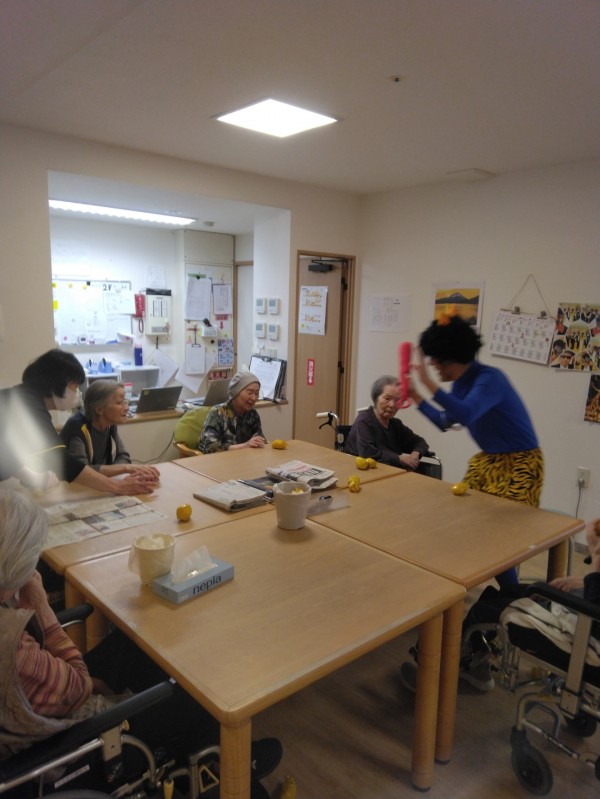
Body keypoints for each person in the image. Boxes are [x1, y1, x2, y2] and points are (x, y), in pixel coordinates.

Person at [0, 489, 282, 797]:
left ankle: (197, 749)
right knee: (195, 687)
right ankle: (230, 763)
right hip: (67, 744)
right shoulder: (12, 646)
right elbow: (80, 687)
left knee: (132, 646)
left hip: (36, 704)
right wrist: (42, 609)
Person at [409, 315, 543, 586]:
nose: (432, 364)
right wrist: (416, 397)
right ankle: (503, 590)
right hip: (490, 462)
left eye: (435, 359)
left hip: (521, 464)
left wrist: (427, 383)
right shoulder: (461, 384)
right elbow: (445, 421)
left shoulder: (490, 379)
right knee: (469, 523)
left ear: (450, 359)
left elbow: (467, 413)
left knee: (499, 539)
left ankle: (510, 593)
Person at [0, 349, 157, 495]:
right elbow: (63, 462)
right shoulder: (28, 406)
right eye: (74, 387)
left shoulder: (19, 398)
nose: (76, 393)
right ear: (56, 383)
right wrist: (118, 487)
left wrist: (31, 476)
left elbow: (7, 454)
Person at [60, 379, 159, 482]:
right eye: (119, 403)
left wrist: (120, 472)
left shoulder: (109, 424)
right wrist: (125, 468)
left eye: (125, 401)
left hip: (100, 482)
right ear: (99, 409)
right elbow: (81, 472)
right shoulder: (77, 428)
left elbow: (123, 456)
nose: (126, 407)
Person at [344, 375, 429, 470]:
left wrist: (415, 455)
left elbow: (420, 442)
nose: (392, 405)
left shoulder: (396, 425)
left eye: (398, 400)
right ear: (376, 398)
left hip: (391, 471)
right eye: (387, 398)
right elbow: (367, 452)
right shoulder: (364, 420)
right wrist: (399, 459)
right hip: (364, 471)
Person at [198, 371, 266, 453]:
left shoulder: (252, 414)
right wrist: (245, 446)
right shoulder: (217, 412)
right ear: (236, 392)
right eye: (250, 393)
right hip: (219, 459)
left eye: (257, 393)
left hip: (244, 457)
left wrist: (259, 443)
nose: (254, 398)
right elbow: (210, 447)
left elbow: (260, 440)